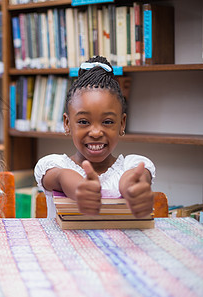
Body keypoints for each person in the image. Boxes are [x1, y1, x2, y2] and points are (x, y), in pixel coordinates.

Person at [35, 56, 155, 219]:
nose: (96, 132)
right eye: (84, 121)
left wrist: (132, 189)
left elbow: (134, 179)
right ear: (67, 123)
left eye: (107, 121)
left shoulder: (132, 166)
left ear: (122, 124)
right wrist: (80, 189)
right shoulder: (54, 166)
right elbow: (61, 177)